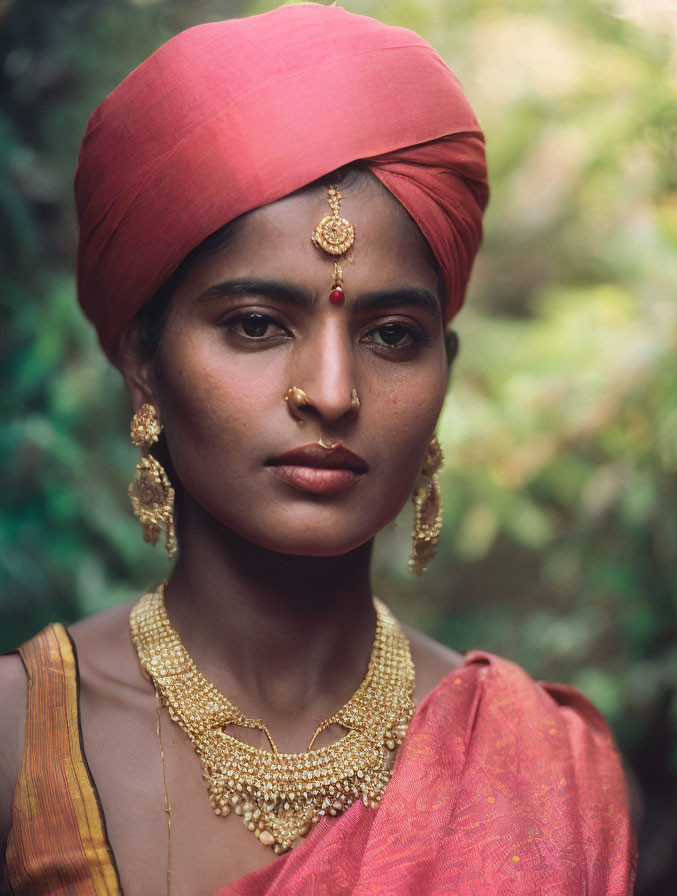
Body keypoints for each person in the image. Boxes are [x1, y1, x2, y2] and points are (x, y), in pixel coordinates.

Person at [0, 4, 636, 894]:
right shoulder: (20, 740)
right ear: (144, 363)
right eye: (257, 324)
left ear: (444, 372)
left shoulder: (547, 767)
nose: (333, 393)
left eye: (391, 336)